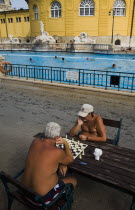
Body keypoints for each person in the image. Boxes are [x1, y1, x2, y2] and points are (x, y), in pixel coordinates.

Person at [22, 122, 77, 206]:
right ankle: (62, 202)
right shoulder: (57, 152)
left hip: (24, 191)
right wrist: (65, 143)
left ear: (44, 133)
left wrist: (61, 163)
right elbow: (70, 160)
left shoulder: (35, 141)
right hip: (41, 200)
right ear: (57, 137)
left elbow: (45, 156)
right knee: (73, 180)